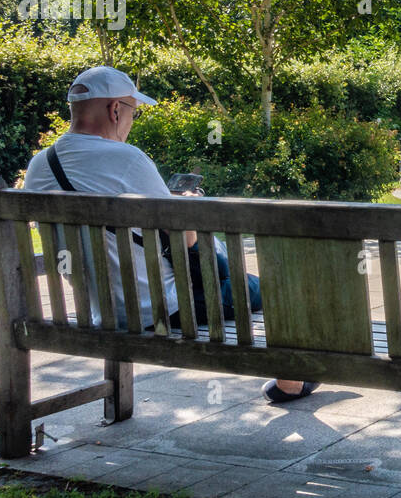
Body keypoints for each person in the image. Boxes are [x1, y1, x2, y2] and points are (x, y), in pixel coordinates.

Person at [21, 66, 317, 404]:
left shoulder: (40, 165)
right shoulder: (127, 159)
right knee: (273, 290)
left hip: (95, 312)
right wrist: (189, 211)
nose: (132, 121)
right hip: (163, 310)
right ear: (115, 109)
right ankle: (291, 382)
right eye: (133, 111)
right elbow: (182, 232)